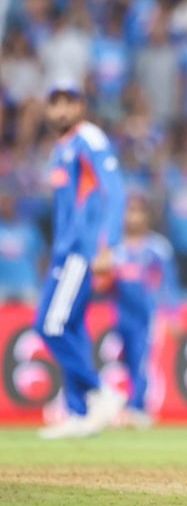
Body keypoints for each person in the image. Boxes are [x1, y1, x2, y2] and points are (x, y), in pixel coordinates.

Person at [35, 81, 128, 439]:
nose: (60, 110)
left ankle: (101, 392)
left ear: (81, 106)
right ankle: (78, 412)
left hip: (82, 251)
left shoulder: (89, 138)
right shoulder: (63, 147)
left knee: (52, 325)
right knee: (70, 327)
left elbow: (114, 191)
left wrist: (109, 244)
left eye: (68, 102)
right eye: (54, 103)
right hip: (66, 250)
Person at [111, 194, 181, 429]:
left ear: (147, 216)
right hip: (120, 314)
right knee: (126, 361)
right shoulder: (115, 247)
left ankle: (137, 409)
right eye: (129, 211)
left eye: (138, 211)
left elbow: (168, 283)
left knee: (142, 361)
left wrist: (172, 315)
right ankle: (132, 406)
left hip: (147, 315)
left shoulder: (157, 247)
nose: (132, 217)